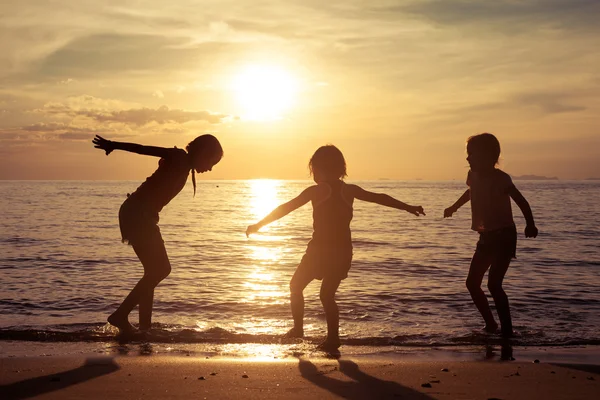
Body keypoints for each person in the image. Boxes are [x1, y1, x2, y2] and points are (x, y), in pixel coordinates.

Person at [246, 145, 425, 351]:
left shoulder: (317, 190)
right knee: (327, 296)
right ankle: (332, 339)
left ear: (318, 169)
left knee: (296, 286)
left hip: (319, 251)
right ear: (341, 168)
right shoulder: (349, 190)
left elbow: (286, 208)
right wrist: (408, 207)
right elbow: (380, 197)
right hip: (342, 252)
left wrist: (259, 225)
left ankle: (299, 329)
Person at [92, 134, 223, 334]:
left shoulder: (185, 166)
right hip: (138, 214)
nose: (211, 168)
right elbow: (144, 148)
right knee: (161, 270)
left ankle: (145, 327)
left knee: (153, 271)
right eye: (212, 162)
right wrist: (113, 145)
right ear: (203, 152)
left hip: (141, 215)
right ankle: (120, 316)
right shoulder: (179, 156)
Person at [444, 133, 538, 337]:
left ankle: (507, 331)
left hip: (504, 235)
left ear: (488, 155)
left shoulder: (501, 179)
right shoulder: (472, 175)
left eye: (471, 154)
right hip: (486, 236)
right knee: (472, 283)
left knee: (494, 284)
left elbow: (521, 201)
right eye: (467, 154)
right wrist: (454, 207)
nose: (467, 158)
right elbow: (471, 192)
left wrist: (530, 224)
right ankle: (491, 324)